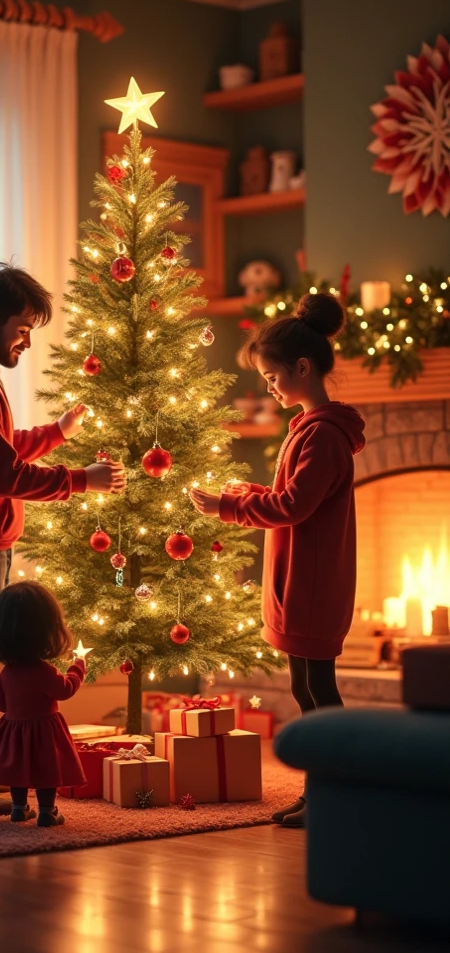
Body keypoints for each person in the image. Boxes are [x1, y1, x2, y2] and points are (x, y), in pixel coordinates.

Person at [0, 261, 126, 815]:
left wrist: (56, 434)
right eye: (23, 330)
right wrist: (83, 481)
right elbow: (3, 475)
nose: (27, 343)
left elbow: (0, 449)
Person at [190, 292, 365, 828]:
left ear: (302, 368)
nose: (266, 385)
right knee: (303, 687)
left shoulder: (325, 437)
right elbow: (290, 494)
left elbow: (293, 505)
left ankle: (337, 792)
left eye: (271, 376)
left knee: (318, 690)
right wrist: (246, 490)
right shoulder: (307, 431)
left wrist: (228, 506)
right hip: (297, 580)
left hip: (313, 585)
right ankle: (323, 792)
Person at [0, 581, 86, 826]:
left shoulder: (6, 673)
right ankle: (47, 811)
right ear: (47, 630)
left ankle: (19, 807)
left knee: (17, 770)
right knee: (47, 771)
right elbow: (65, 690)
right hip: (45, 731)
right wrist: (77, 668)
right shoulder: (44, 671)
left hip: (14, 730)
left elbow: (1, 704)